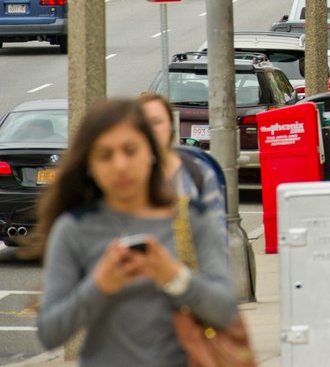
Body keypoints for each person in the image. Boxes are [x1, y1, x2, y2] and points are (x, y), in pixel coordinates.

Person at [37, 100, 238, 365]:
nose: (120, 165)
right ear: (90, 164)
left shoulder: (193, 218)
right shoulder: (73, 228)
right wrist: (99, 285)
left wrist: (175, 276)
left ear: (151, 152)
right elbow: (50, 332)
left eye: (130, 150)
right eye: (105, 155)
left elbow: (225, 311)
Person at [135, 93, 224, 217]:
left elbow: (216, 228)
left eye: (156, 122)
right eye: (144, 123)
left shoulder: (199, 172)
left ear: (171, 126)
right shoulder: (120, 172)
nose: (151, 129)